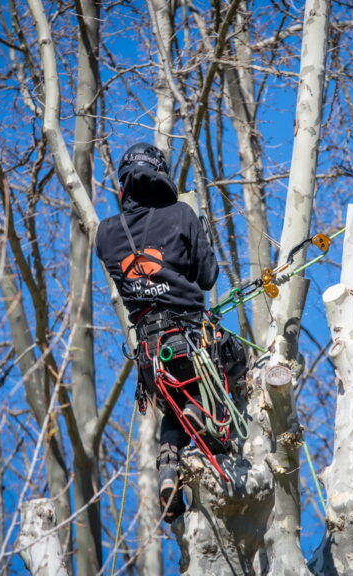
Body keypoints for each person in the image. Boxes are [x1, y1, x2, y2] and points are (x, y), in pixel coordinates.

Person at [96, 143, 240, 522]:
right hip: (192, 342)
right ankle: (201, 408)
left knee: (174, 414)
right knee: (239, 364)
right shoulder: (181, 214)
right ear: (162, 175)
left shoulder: (106, 233)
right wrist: (196, 230)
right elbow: (207, 276)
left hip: (150, 357)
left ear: (124, 182)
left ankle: (168, 470)